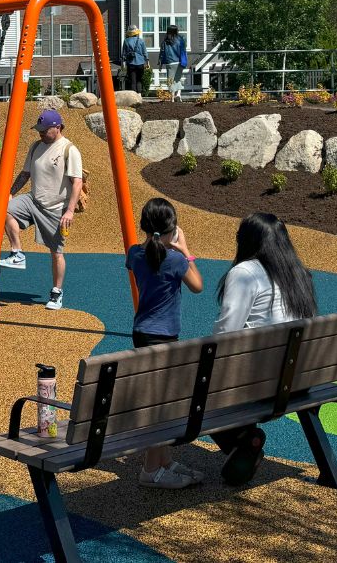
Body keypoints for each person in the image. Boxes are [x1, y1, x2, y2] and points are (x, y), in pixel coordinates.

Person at [211, 213, 320, 486]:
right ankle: (243, 438)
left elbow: (227, 334)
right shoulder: (299, 273)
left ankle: (242, 439)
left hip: (258, 384)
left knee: (191, 384)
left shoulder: (245, 273)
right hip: (299, 379)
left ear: (246, 241)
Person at [125, 198, 205, 488]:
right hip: (165, 335)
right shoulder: (175, 260)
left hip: (142, 332)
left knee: (159, 401)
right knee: (161, 407)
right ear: (173, 229)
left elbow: (139, 259)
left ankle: (164, 461)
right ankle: (150, 469)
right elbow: (198, 286)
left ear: (144, 227)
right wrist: (185, 250)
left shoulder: (134, 254)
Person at [0, 110, 83, 311]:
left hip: (55, 208)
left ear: (58, 127)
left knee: (56, 253)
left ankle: (57, 291)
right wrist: (9, 193)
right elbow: (25, 173)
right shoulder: (36, 146)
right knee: (3, 210)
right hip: (32, 200)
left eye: (44, 131)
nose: (41, 134)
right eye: (39, 130)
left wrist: (69, 211)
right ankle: (17, 252)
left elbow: (76, 183)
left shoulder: (69, 150)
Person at [159, 25, 188, 102]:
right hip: (179, 62)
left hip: (170, 63)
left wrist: (161, 64)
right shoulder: (180, 40)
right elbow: (183, 52)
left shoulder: (165, 42)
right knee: (178, 80)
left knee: (170, 81)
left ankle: (172, 98)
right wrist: (184, 62)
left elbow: (162, 53)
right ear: (176, 31)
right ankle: (178, 95)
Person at [121, 25, 147, 95]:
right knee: (139, 79)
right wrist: (147, 62)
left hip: (131, 63)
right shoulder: (141, 41)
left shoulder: (126, 41)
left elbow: (123, 54)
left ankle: (134, 95)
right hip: (140, 62)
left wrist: (123, 64)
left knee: (133, 80)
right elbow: (144, 52)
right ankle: (139, 95)